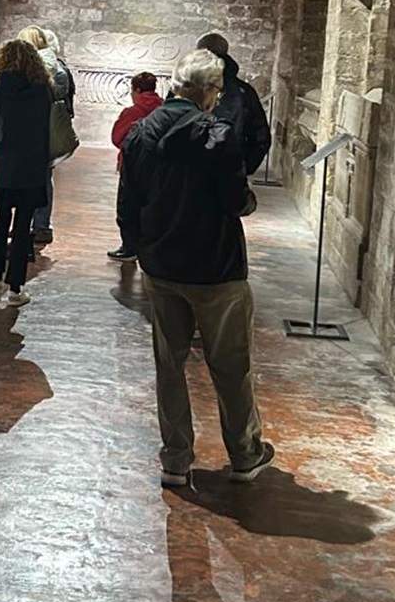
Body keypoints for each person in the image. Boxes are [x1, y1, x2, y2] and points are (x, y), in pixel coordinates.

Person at [120, 46, 274, 489]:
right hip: (215, 267)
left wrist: (143, 247)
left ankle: (175, 458)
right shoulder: (217, 136)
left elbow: (128, 203)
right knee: (230, 364)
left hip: (163, 266)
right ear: (208, 92)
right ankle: (244, 454)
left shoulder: (140, 132)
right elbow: (234, 198)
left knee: (169, 364)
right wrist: (247, 201)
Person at [0, 37, 51, 308]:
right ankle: (16, 288)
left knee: (0, 223)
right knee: (23, 229)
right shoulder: (43, 89)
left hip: (4, 164)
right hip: (32, 166)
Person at [19, 25, 77, 246]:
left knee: (41, 179)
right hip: (37, 132)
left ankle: (40, 225)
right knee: (39, 179)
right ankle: (32, 225)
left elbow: (54, 100)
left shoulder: (51, 71)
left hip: (40, 133)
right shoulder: (49, 69)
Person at [197, 31, 272, 177]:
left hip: (195, 173)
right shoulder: (245, 91)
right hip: (228, 173)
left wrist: (244, 167)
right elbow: (261, 136)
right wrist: (243, 167)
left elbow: (260, 136)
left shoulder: (186, 88)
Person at [108, 71, 162, 261]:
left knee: (128, 205)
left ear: (137, 90)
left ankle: (129, 247)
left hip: (132, 164)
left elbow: (117, 138)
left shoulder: (132, 112)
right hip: (158, 165)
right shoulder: (163, 109)